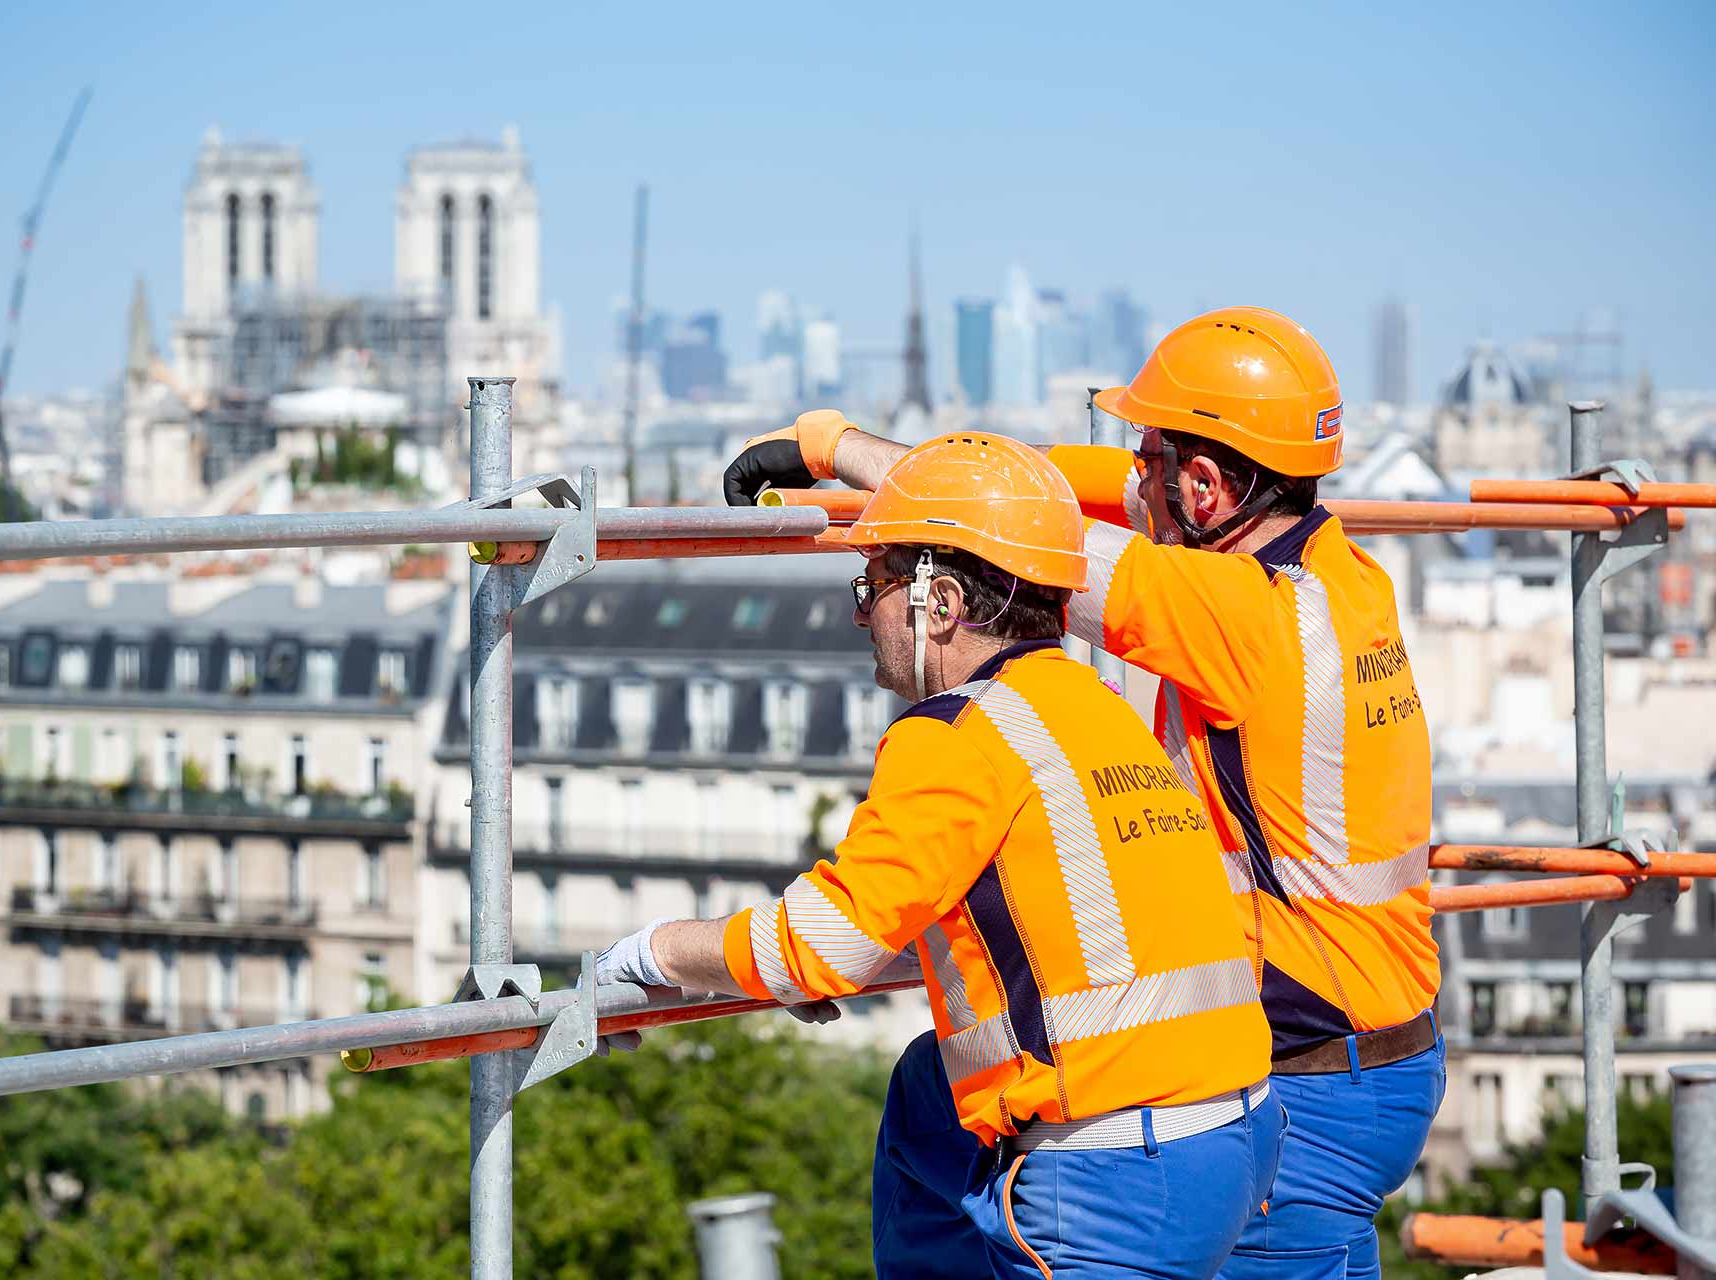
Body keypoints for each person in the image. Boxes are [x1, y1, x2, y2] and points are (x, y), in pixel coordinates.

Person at [724, 308, 1442, 1279]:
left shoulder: (1234, 614)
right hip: (1368, 1050)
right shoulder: (1341, 576)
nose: (1132, 475)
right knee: (932, 1103)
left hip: (1303, 1076)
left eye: (1148, 458)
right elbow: (1045, 481)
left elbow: (1010, 532)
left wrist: (833, 444)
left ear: (1204, 483)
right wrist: (855, 450)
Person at [600, 432, 1283, 1278]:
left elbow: (815, 945)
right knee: (929, 1091)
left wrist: (647, 956)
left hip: (1118, 1179)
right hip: (1238, 1133)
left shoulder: (957, 732)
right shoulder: (1092, 703)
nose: (863, 611)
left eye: (877, 583)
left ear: (942, 602)